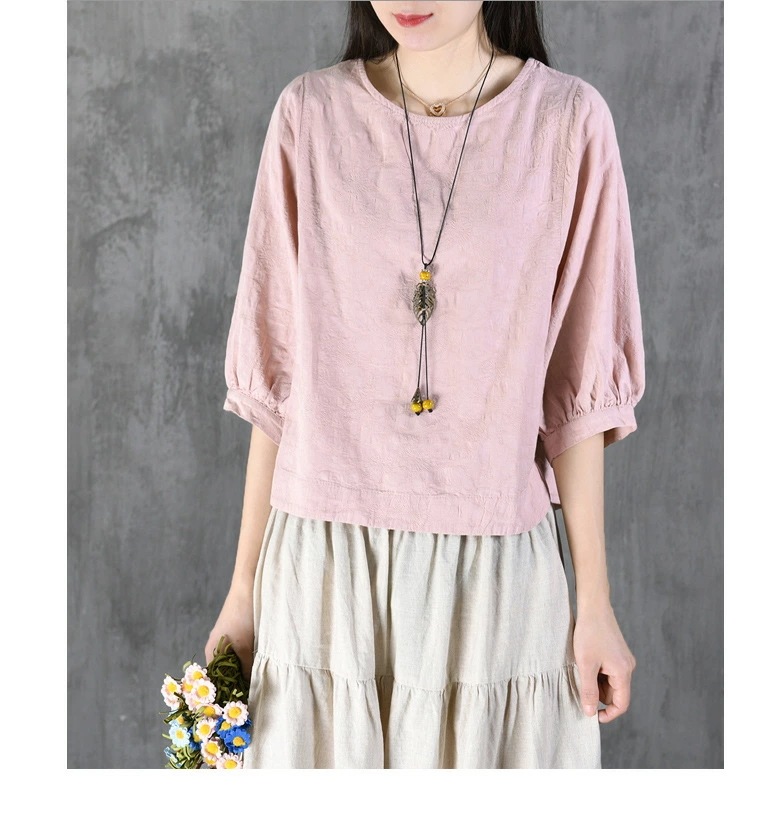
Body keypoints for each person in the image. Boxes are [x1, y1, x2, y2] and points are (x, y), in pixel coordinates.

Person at [206, 0, 645, 769]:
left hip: (492, 576)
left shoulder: (565, 122)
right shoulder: (309, 115)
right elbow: (276, 385)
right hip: (323, 569)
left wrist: (594, 604)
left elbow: (577, 393)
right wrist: (242, 592)